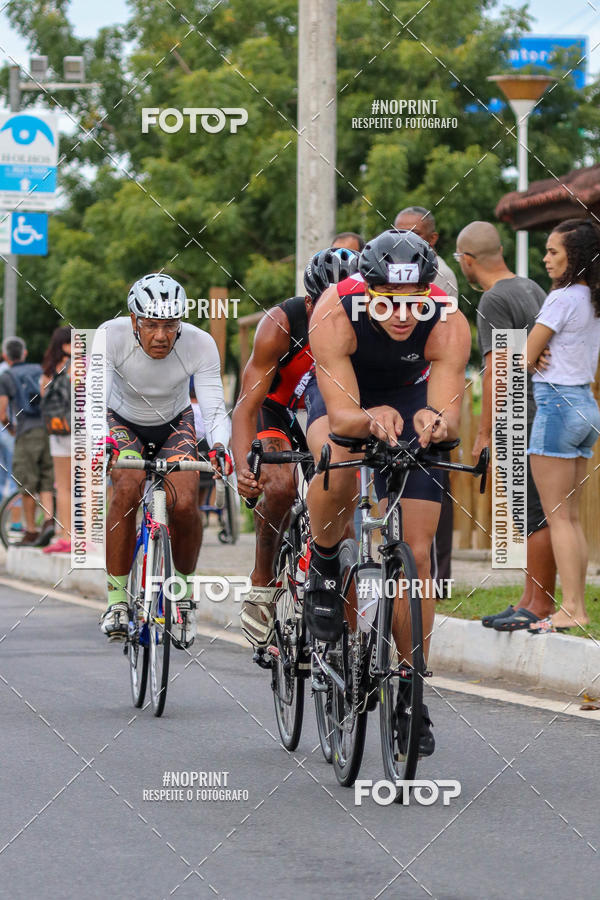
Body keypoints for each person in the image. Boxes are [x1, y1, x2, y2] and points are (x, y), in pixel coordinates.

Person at [303, 229, 471, 756]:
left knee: (417, 555)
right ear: (364, 290)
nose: (402, 315)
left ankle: (409, 686)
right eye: (388, 302)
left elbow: (448, 414)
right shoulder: (335, 309)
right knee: (340, 461)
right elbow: (343, 414)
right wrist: (368, 415)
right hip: (346, 395)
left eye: (413, 302)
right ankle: (325, 564)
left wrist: (434, 419)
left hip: (408, 391)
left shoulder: (448, 320)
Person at [232, 248, 360, 649]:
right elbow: (246, 406)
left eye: (348, 301)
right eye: (328, 302)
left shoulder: (366, 320)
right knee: (280, 486)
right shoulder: (279, 324)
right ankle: (262, 580)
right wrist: (242, 466)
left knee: (346, 517)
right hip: (277, 409)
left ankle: (352, 641)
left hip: (332, 412)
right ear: (309, 301)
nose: (339, 311)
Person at [98, 274, 231, 647]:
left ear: (181, 324)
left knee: (186, 502)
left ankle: (184, 597)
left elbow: (213, 405)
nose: (160, 336)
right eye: (151, 325)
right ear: (133, 319)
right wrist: (100, 444)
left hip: (175, 423)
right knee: (126, 488)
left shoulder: (200, 344)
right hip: (121, 422)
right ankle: (116, 602)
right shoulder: (110, 336)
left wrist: (220, 447)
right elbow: (95, 400)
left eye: (170, 326)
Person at [455, 221, 557, 631]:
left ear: (467, 260)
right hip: (542, 408)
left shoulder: (493, 300)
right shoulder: (531, 287)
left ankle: (540, 605)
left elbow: (497, 372)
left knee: (533, 512)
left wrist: (484, 435)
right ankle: (529, 599)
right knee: (533, 512)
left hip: (521, 414)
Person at [525, 219, 600, 634]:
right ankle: (575, 606)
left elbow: (525, 352)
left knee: (558, 517)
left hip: (557, 406)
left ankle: (572, 608)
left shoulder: (562, 297)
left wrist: (531, 355)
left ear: (575, 256)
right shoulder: (593, 298)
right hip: (587, 406)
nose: (546, 258)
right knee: (570, 517)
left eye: (554, 251)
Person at [394, 206, 458, 589]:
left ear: (432, 241)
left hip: (429, 382)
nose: (403, 242)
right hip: (393, 382)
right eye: (397, 233)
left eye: (413, 235)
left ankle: (437, 576)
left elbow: (444, 339)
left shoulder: (441, 277)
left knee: (433, 476)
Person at [0, 337, 54, 547]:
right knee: (47, 479)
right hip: (50, 432)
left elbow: (2, 411)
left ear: (6, 356)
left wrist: (11, 428)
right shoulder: (39, 370)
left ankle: (31, 531)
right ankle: (49, 522)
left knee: (26, 482)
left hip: (26, 431)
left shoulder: (7, 376)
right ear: (25, 353)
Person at [40, 326, 72, 553]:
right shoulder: (80, 367)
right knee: (84, 485)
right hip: (81, 433)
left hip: (57, 433)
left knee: (62, 486)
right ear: (67, 345)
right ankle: (83, 537)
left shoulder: (48, 372)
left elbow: (43, 400)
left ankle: (66, 535)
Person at [394, 207, 458, 297]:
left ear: (432, 238)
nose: (405, 239)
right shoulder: (397, 267)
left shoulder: (439, 273)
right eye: (400, 233)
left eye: (414, 233)